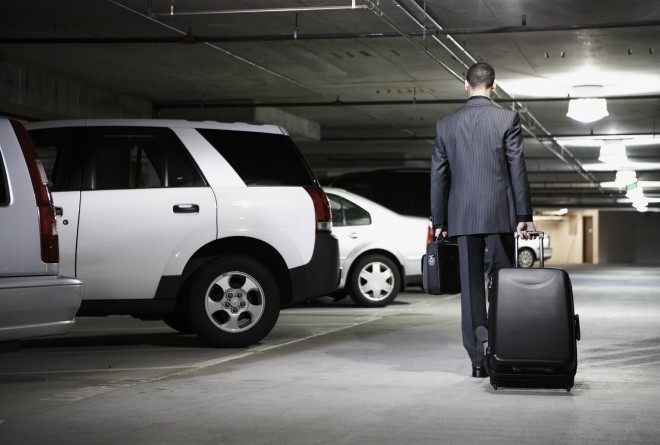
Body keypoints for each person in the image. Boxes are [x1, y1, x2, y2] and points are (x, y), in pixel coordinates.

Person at [430, 62, 536, 378]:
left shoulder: (446, 125)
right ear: (493, 85)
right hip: (500, 215)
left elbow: (438, 175)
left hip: (462, 218)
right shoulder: (507, 119)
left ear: (466, 85)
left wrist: (439, 219)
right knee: (505, 282)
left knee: (471, 286)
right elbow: (517, 168)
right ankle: (505, 349)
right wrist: (523, 215)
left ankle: (478, 358)